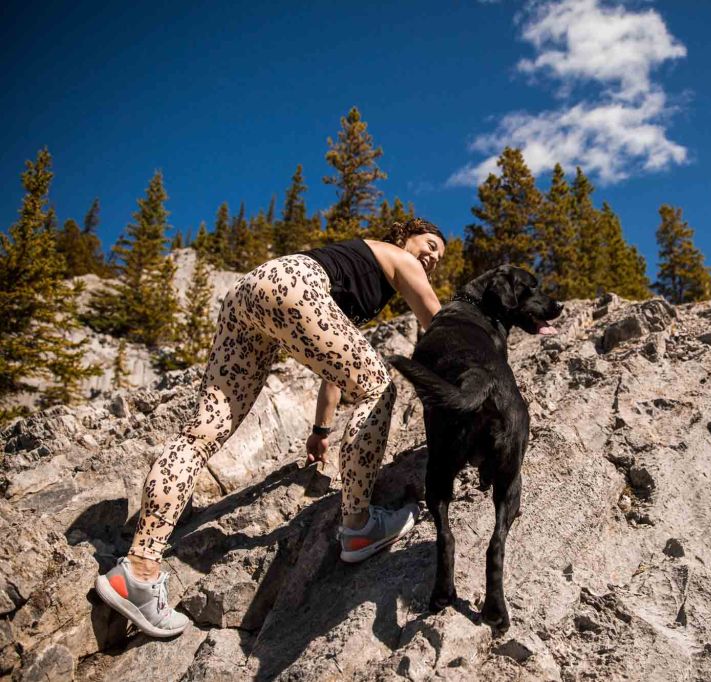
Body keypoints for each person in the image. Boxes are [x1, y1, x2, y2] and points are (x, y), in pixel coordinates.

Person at [94, 218, 447, 638]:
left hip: (250, 293)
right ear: (403, 237)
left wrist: (321, 429)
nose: (432, 258)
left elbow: (335, 366)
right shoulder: (396, 259)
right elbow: (441, 327)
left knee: (200, 435)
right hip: (293, 283)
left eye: (439, 258)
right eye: (429, 245)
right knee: (380, 386)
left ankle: (137, 569)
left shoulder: (358, 269)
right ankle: (357, 525)